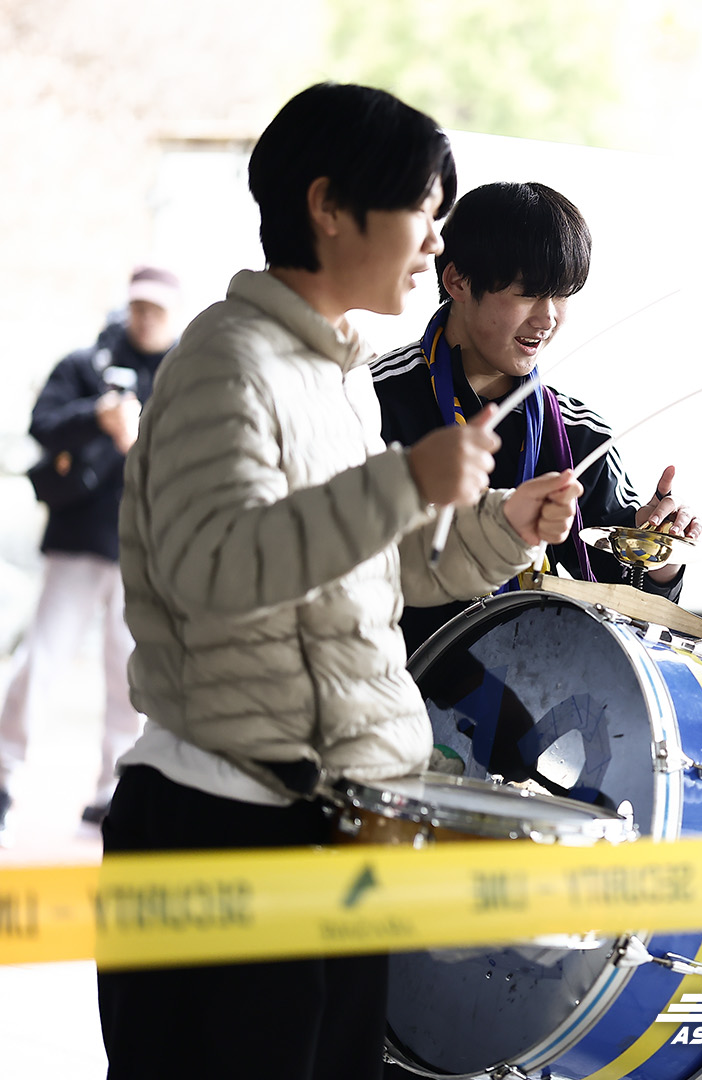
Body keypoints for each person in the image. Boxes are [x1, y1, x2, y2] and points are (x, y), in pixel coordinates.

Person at [96, 83, 583, 1080]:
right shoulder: (226, 361)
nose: (435, 243)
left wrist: (498, 526)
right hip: (225, 816)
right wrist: (405, 481)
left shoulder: (336, 372)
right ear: (327, 206)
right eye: (422, 212)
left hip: (332, 812)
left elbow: (369, 566)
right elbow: (213, 567)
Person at [373, 180, 701, 657]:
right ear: (458, 281)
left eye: (562, 296)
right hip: (384, 678)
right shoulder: (373, 399)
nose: (548, 319)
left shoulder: (577, 432)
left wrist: (658, 549)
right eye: (528, 293)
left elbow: (626, 602)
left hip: (522, 688)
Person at [0, 265, 183, 836]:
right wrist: (97, 417)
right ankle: (4, 774)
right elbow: (43, 423)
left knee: (129, 672)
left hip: (145, 550)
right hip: (78, 541)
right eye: (139, 307)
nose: (146, 318)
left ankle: (111, 789)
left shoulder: (186, 372)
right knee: (42, 659)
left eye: (157, 309)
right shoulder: (86, 365)